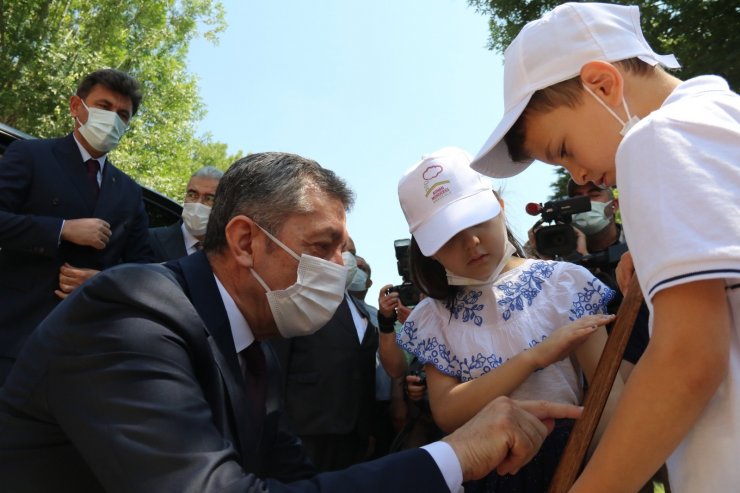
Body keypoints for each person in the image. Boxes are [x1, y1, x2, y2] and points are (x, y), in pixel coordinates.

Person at [0, 152, 582, 492]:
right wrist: (456, 454)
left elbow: (293, 481)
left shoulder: (255, 354)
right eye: (325, 246)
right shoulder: (130, 315)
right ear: (247, 240)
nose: (340, 268)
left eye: (345, 251)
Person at [469, 3, 739, 492]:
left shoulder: (653, 139)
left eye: (564, 149)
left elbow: (689, 359)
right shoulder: (720, 117)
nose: (578, 177)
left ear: (602, 83)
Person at [395, 146, 622, 492]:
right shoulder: (434, 317)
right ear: (427, 249)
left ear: (499, 207)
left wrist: (600, 473)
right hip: (485, 473)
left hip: (576, 459)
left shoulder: (564, 283)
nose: (471, 242)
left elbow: (609, 393)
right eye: (448, 237)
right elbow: (448, 410)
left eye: (476, 221)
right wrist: (534, 357)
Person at [0, 68, 154, 386]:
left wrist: (104, 281)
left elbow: (146, 269)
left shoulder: (128, 191)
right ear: (76, 107)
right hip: (13, 334)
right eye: (104, 107)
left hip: (83, 354)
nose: (112, 119)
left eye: (122, 114)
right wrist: (61, 229)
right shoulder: (31, 155)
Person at [268, 239, 379, 471]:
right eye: (340, 249)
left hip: (353, 435)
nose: (346, 257)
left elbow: (366, 375)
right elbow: (276, 365)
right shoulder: (300, 297)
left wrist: (368, 428)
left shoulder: (360, 310)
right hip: (307, 431)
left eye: (352, 251)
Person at [148, 165, 223, 261]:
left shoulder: (228, 254)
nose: (197, 204)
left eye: (209, 198)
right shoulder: (150, 240)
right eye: (192, 195)